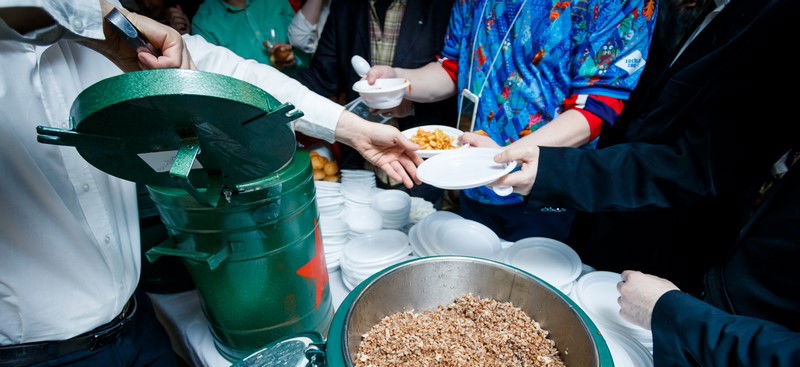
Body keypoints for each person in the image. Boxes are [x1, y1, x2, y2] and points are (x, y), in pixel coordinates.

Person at [0, 2, 420, 367]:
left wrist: (352, 129)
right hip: (33, 360)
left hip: (135, 319)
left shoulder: (105, 40)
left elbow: (235, 78)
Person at [483, 0, 799, 367]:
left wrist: (680, 318)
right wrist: (549, 169)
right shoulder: (765, 21)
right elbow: (703, 156)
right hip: (712, 317)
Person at [489, 0, 798, 292]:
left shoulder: (775, 24)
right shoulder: (710, 9)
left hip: (665, 240)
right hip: (608, 210)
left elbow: (698, 165)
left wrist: (554, 172)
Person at [366, 0, 657, 240]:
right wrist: (399, 80)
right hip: (471, 173)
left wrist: (503, 156)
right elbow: (453, 68)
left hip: (541, 186)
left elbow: (597, 107)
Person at [298, 0, 456, 202]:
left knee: (422, 223)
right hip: (360, 160)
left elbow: (455, 76)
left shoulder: (444, 6)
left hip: (420, 159)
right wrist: (266, 88)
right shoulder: (346, 5)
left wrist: (411, 101)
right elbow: (321, 77)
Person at [192, 0, 308, 76]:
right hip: (255, 102)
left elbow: (306, 44)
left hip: (301, 80)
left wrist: (294, 57)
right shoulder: (204, 20)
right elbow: (216, 79)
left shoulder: (276, 2)